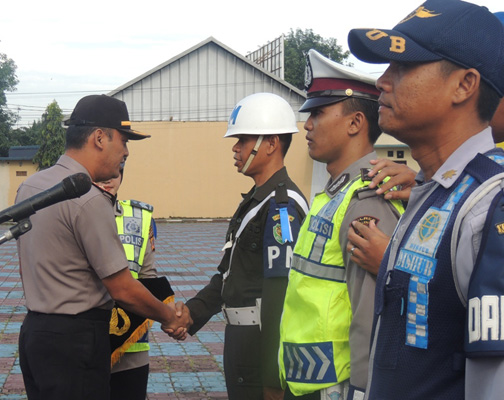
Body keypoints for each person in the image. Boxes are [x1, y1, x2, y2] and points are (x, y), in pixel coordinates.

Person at [347, 0, 504, 398]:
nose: (382, 81)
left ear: (464, 85)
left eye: (402, 66)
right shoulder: (434, 190)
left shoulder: (488, 206)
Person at [15, 94, 188, 400]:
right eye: (123, 140)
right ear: (99, 138)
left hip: (35, 335)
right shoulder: (89, 199)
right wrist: (169, 316)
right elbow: (122, 289)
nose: (126, 152)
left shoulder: (31, 186)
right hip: (77, 342)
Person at [277, 50, 404, 400]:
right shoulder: (332, 196)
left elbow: (370, 315)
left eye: (318, 113)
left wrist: (363, 391)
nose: (307, 124)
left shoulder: (367, 199)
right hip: (307, 382)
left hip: (336, 389)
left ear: (355, 123)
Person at [176, 92, 309, 400]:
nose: (235, 148)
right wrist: (191, 314)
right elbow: (227, 276)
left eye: (244, 140)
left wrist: (273, 380)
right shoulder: (255, 200)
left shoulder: (281, 206)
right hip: (241, 343)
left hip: (261, 348)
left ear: (272, 144)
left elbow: (280, 298)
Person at [95, 171, 160, 400]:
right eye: (101, 171)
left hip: (131, 349)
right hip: (82, 346)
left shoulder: (141, 218)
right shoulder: (69, 214)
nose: (108, 178)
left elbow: (148, 278)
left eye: (115, 171)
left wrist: (170, 316)